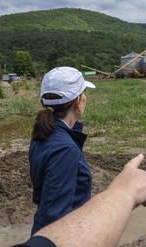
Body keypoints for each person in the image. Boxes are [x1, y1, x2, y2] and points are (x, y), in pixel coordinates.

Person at [8, 154, 146, 247]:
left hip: (47, 230)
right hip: (59, 228)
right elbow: (56, 207)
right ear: (79, 102)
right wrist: (124, 192)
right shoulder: (66, 149)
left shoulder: (45, 135)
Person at [29, 67, 96, 235]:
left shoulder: (43, 133)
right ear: (77, 101)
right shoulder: (65, 149)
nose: (86, 98)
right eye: (84, 93)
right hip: (63, 237)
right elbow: (55, 216)